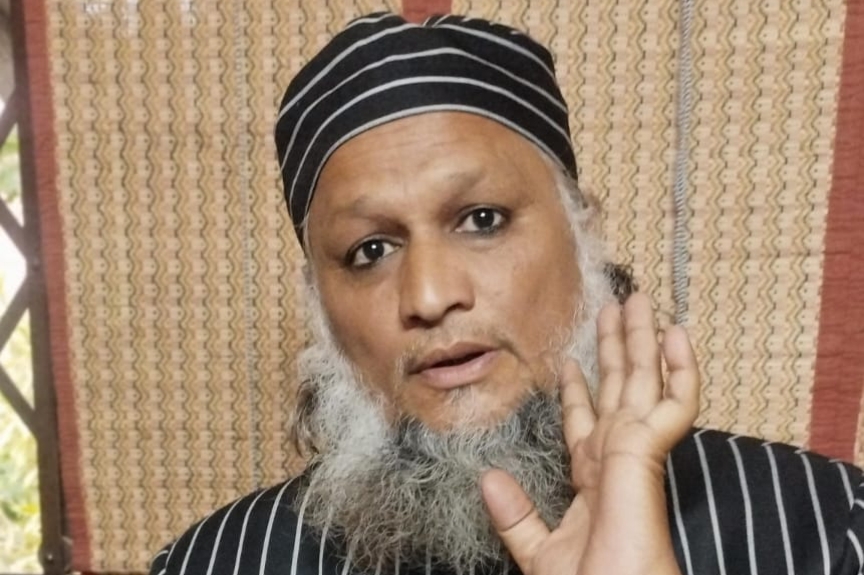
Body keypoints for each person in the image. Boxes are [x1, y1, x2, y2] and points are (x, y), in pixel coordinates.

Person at [149, 12, 864, 575]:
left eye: (482, 219)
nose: (430, 294)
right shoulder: (215, 563)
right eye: (371, 251)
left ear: (582, 231)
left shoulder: (828, 531)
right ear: (320, 306)